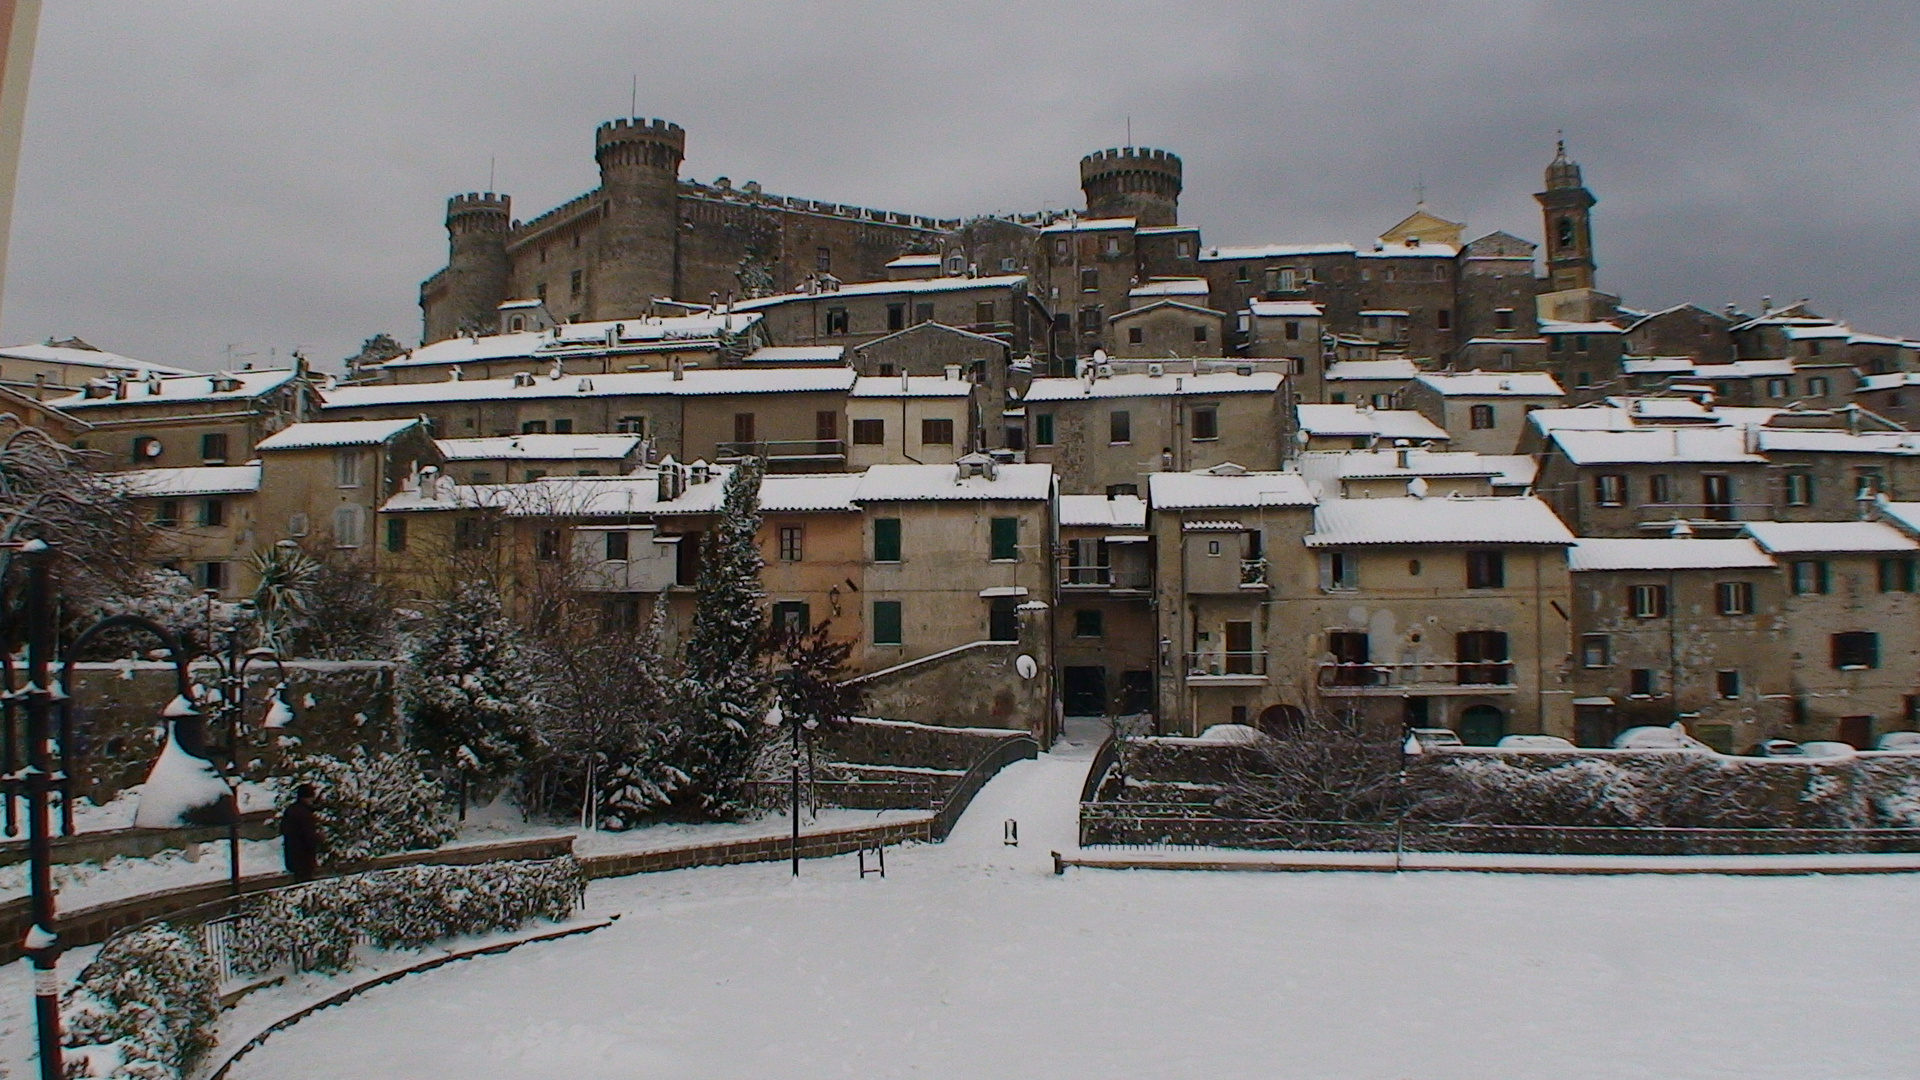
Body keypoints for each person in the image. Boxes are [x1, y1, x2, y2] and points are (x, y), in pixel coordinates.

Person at [280, 783, 321, 882]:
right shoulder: (305, 813)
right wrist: (319, 837)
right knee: (305, 882)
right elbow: (309, 837)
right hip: (304, 858)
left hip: (292, 855)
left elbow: (283, 829)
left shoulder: (290, 810)